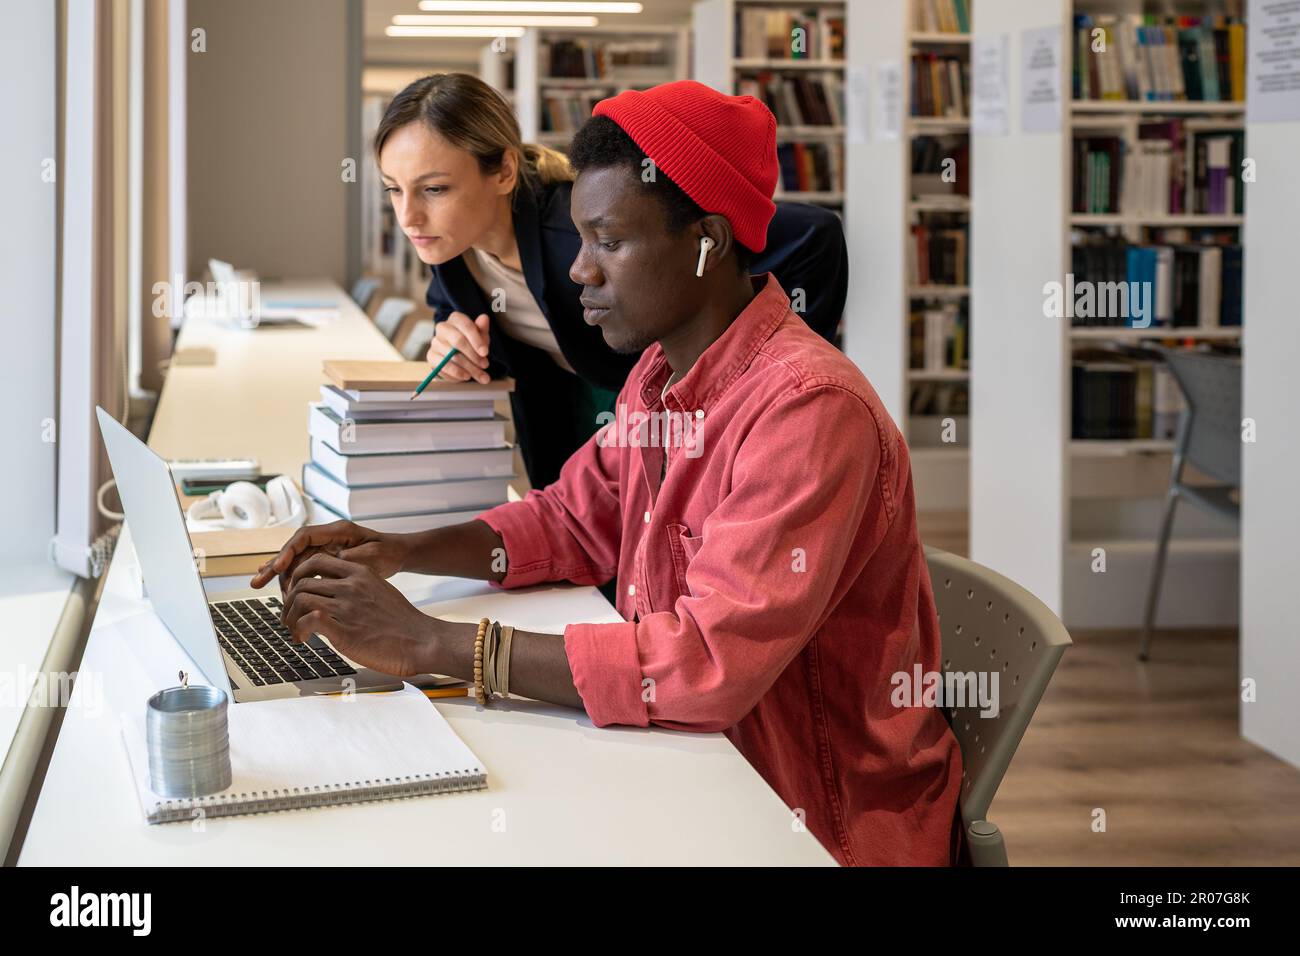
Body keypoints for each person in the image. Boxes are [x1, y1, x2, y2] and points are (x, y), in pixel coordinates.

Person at [255, 80, 962, 866]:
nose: (580, 272)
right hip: (691, 771)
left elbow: (704, 666)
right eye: (581, 241)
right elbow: (569, 520)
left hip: (805, 819)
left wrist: (433, 643)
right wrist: (394, 549)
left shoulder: (808, 412)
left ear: (709, 241)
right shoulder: (658, 375)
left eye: (610, 242)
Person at [374, 72, 848, 489]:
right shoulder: (448, 241)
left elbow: (813, 235)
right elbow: (456, 311)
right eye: (394, 189)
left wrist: (765, 368)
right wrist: (451, 342)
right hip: (568, 414)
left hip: (649, 405)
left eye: (434, 189)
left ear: (503, 170)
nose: (408, 216)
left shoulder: (584, 231)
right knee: (577, 550)